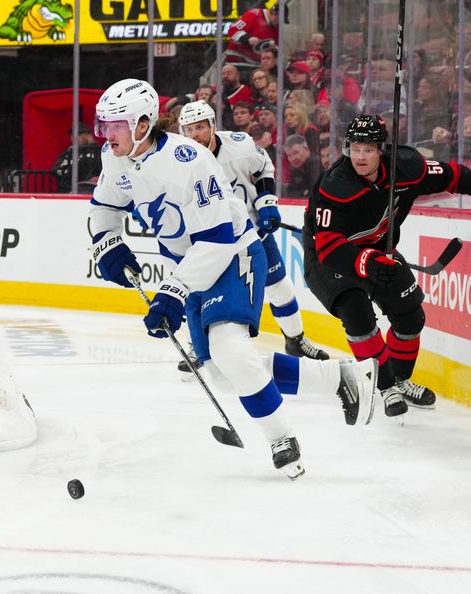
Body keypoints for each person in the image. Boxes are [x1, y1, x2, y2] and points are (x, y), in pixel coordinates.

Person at [90, 79, 378, 479]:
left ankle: (282, 438)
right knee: (225, 374)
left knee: (229, 348)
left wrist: (173, 291)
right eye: (103, 124)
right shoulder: (115, 156)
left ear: (142, 124)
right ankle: (338, 377)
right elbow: (105, 205)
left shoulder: (188, 160)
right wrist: (106, 242)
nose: (106, 133)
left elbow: (217, 239)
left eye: (114, 124)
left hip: (231, 254)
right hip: (191, 266)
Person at [304, 115, 471, 415]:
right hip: (330, 258)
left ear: (380, 149)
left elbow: (454, 175)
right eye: (355, 148)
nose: (360, 156)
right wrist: (366, 262)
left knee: (411, 317)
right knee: (356, 311)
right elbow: (328, 246)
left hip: (378, 250)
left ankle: (401, 380)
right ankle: (385, 385)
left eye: (368, 149)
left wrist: (375, 257)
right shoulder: (336, 185)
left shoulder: (406, 167)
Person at [178, 99, 328, 363]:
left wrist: (266, 202)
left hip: (250, 234)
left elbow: (263, 167)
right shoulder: (178, 162)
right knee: (200, 291)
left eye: (200, 127)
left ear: (213, 125)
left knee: (279, 287)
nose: (194, 135)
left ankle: (296, 340)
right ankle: (198, 345)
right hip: (207, 240)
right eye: (188, 129)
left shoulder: (240, 145)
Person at [224, 4, 279, 73]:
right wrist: (248, 39)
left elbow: (276, 46)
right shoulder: (253, 14)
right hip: (237, 62)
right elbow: (232, 30)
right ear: (274, 14)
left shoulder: (276, 27)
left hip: (257, 66)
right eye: (279, 19)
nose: (279, 22)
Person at [52, 123, 102, 192]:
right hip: (66, 191)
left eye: (78, 134)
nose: (73, 138)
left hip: (91, 190)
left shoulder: (100, 152)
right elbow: (56, 169)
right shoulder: (69, 152)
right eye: (71, 135)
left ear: (88, 134)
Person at [283, 134, 322, 199]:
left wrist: (303, 192)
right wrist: (304, 192)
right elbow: (290, 193)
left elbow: (315, 193)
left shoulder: (316, 164)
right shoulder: (295, 168)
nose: (293, 158)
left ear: (306, 149)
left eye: (296, 153)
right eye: (289, 155)